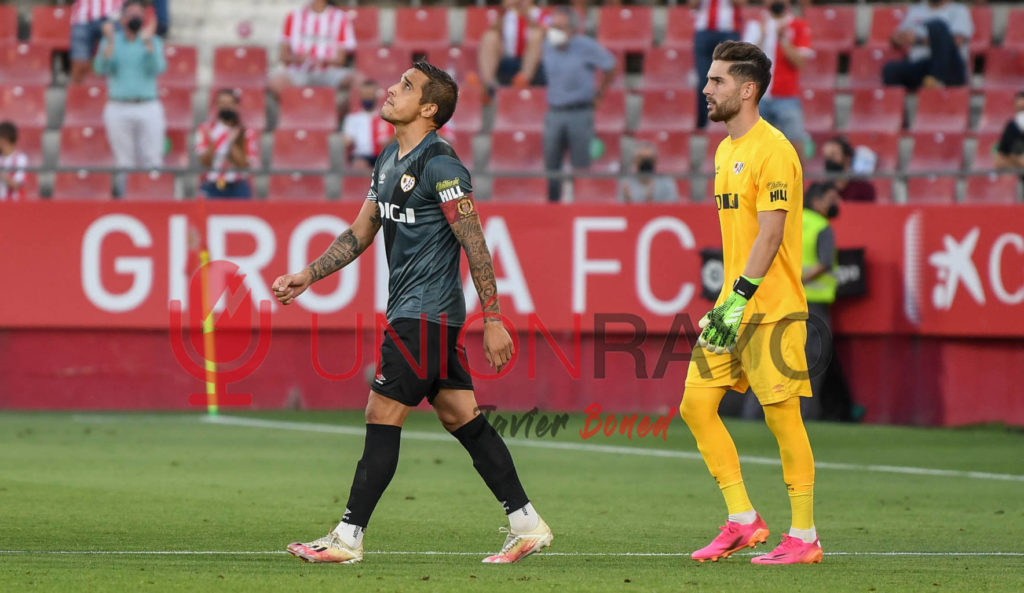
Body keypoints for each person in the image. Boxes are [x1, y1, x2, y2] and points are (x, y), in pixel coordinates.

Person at [272, 62, 553, 565]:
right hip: (419, 314)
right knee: (461, 418)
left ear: (429, 109)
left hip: (424, 316)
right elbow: (360, 232)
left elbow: (476, 243)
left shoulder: (441, 165)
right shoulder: (386, 159)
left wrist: (493, 319)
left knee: (381, 413)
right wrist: (309, 275)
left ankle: (347, 537)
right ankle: (526, 523)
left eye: (406, 87)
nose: (391, 89)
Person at [681, 40, 821, 565]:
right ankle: (743, 520)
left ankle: (804, 537)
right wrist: (727, 304)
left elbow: (769, 235)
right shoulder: (725, 151)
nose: (706, 88)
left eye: (716, 81)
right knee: (695, 406)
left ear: (747, 89)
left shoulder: (775, 150)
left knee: (782, 418)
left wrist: (737, 299)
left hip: (773, 308)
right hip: (730, 308)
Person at [541, 7, 616, 202]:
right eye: (553, 25)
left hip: (580, 111)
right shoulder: (547, 45)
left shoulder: (585, 46)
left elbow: (611, 65)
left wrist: (600, 93)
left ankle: (582, 205)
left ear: (573, 29)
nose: (555, 30)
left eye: (560, 26)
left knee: (581, 165)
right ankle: (552, 206)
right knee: (551, 165)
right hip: (554, 111)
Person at [93, 0, 166, 190]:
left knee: (152, 157)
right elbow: (101, 69)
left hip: (148, 105)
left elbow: (157, 68)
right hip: (118, 106)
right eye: (131, 13)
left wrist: (148, 43)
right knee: (124, 161)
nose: (135, 17)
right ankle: (126, 201)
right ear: (122, 18)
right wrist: (109, 42)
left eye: (139, 13)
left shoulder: (153, 40)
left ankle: (152, 196)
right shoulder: (111, 40)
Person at [742, 0, 812, 151]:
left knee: (795, 145)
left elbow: (800, 62)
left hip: (786, 94)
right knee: (758, 149)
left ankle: (798, 175)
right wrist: (762, 35)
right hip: (759, 95)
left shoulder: (797, 25)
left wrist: (783, 39)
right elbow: (746, 62)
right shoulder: (756, 25)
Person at [800, 182, 840, 419]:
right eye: (831, 199)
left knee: (777, 360)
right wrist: (802, 280)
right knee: (813, 362)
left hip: (786, 303)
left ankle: (755, 415)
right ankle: (806, 415)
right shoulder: (822, 227)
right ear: (816, 201)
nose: (836, 204)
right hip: (814, 306)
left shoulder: (790, 221)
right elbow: (825, 263)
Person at [882, 0, 973, 91]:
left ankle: (935, 79)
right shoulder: (916, 9)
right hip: (923, 66)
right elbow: (897, 39)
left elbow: (957, 41)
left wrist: (918, 41)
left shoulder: (958, 10)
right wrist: (898, 38)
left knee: (937, 26)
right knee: (890, 70)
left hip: (950, 67)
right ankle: (931, 82)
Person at [269, 0, 356, 95]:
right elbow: (283, 56)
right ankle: (297, 107)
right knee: (275, 82)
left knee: (359, 81)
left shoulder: (340, 18)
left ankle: (338, 108)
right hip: (298, 71)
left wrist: (322, 61)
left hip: (329, 72)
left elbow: (341, 60)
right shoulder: (293, 17)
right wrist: (297, 58)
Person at [473, 0, 548, 101]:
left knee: (536, 35)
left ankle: (523, 80)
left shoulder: (540, 14)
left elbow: (548, 33)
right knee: (490, 37)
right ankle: (488, 86)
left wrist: (526, 14)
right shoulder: (507, 14)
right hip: (507, 61)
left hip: (534, 66)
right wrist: (504, 11)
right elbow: (493, 29)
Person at [195, 89, 260, 199]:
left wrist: (232, 142)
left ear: (237, 105)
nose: (226, 107)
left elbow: (244, 164)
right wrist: (214, 142)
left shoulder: (247, 132)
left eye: (229, 103)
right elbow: (205, 162)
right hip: (211, 185)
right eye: (222, 103)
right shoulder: (205, 129)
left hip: (238, 186)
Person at [692, 0, 744, 129]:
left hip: (728, 30)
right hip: (703, 31)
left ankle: (731, 119)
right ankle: (704, 122)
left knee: (730, 79)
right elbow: (692, 4)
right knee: (704, 80)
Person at [341, 79, 395, 171]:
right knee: (359, 165)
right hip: (361, 156)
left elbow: (391, 140)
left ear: (376, 96)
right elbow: (347, 140)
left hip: (381, 155)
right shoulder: (352, 119)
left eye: (370, 95)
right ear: (360, 96)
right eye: (365, 95)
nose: (367, 98)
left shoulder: (386, 118)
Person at [70, 0, 124, 84]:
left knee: (120, 59)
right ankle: (77, 92)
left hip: (115, 17)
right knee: (80, 63)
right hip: (83, 17)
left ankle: (117, 89)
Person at [821, 136, 877, 202]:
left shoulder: (864, 189)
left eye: (833, 154)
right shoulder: (821, 190)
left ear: (847, 158)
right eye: (826, 156)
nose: (829, 160)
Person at [994, 90, 1024, 180]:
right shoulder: (1011, 128)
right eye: (1019, 109)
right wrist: (1016, 160)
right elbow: (999, 161)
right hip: (1016, 176)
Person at [0, 121, 28, 201]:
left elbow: (17, 185)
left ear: (4, 140)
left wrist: (2, 175)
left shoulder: (20, 159)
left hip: (13, 205)